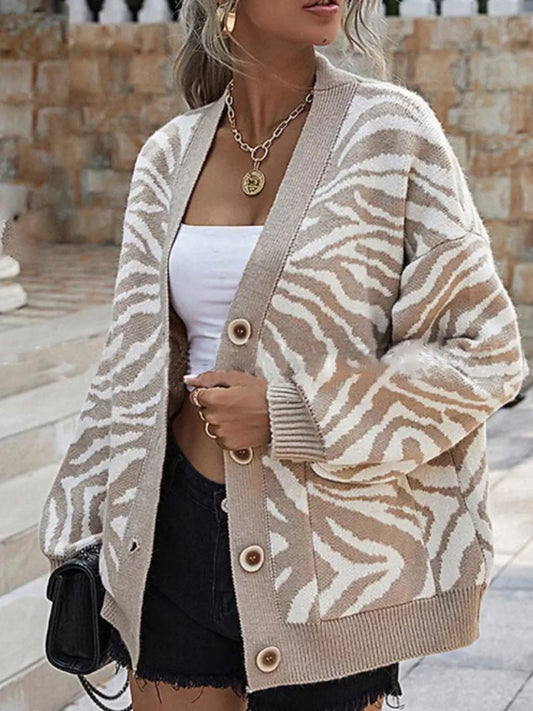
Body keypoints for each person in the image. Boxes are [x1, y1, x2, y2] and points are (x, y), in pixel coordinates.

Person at [38, 1, 528, 710]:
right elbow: (130, 369)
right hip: (170, 534)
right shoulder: (168, 156)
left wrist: (295, 414)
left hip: (332, 559)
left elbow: (487, 352)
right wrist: (79, 529)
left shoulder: (391, 134)